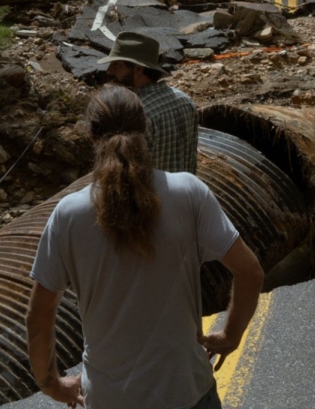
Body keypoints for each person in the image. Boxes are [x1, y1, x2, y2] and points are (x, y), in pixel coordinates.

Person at [25, 85, 264, 409]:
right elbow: (250, 273)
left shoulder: (68, 215)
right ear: (144, 129)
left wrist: (52, 383)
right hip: (189, 393)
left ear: (91, 136)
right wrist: (230, 336)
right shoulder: (189, 193)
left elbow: (39, 316)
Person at [99, 30, 199, 173]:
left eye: (117, 65)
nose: (109, 71)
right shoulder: (186, 101)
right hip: (187, 193)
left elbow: (129, 174)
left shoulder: (135, 114)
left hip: (152, 195)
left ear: (138, 69)